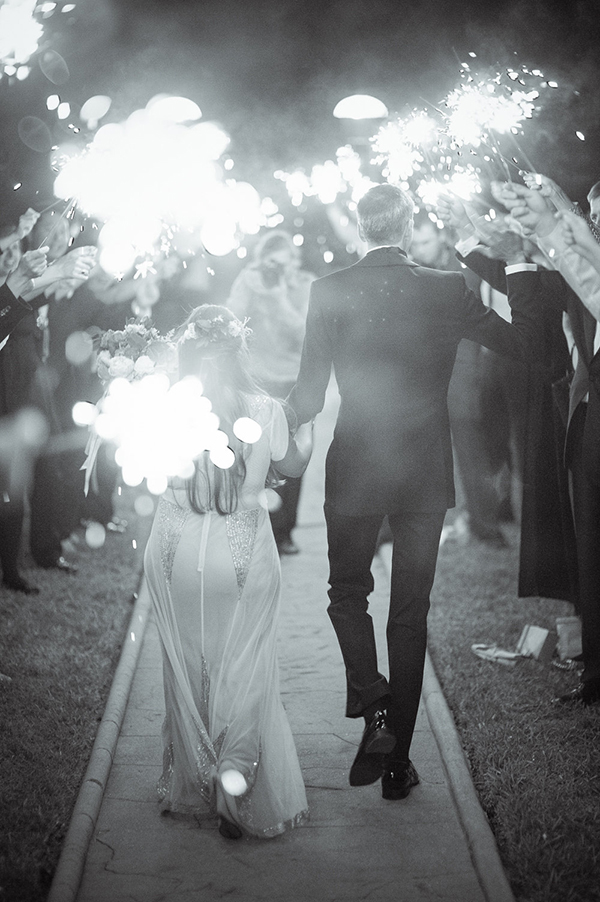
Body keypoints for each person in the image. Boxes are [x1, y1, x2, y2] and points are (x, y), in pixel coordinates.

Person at [287, 183, 538, 799]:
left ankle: (373, 702)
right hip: (423, 470)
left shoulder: (330, 289)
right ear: (405, 223)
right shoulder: (447, 287)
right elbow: (526, 343)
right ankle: (397, 761)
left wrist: (247, 409)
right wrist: (517, 262)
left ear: (360, 226)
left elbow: (309, 397)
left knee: (347, 592)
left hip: (355, 466)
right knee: (410, 612)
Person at [143, 304, 312, 839]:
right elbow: (291, 464)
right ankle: (235, 789)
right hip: (240, 550)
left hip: (174, 550)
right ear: (240, 351)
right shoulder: (265, 409)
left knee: (189, 664)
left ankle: (193, 783)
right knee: (245, 665)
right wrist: (305, 430)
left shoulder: (166, 407)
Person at [227, 230, 315, 554]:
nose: (278, 269)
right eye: (271, 263)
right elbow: (232, 322)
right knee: (252, 456)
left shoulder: (307, 284)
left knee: (290, 458)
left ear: (295, 261)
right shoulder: (251, 280)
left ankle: (283, 532)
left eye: (285, 262)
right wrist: (248, 286)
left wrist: (276, 294)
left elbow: (303, 333)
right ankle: (250, 527)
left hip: (293, 380)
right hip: (256, 379)